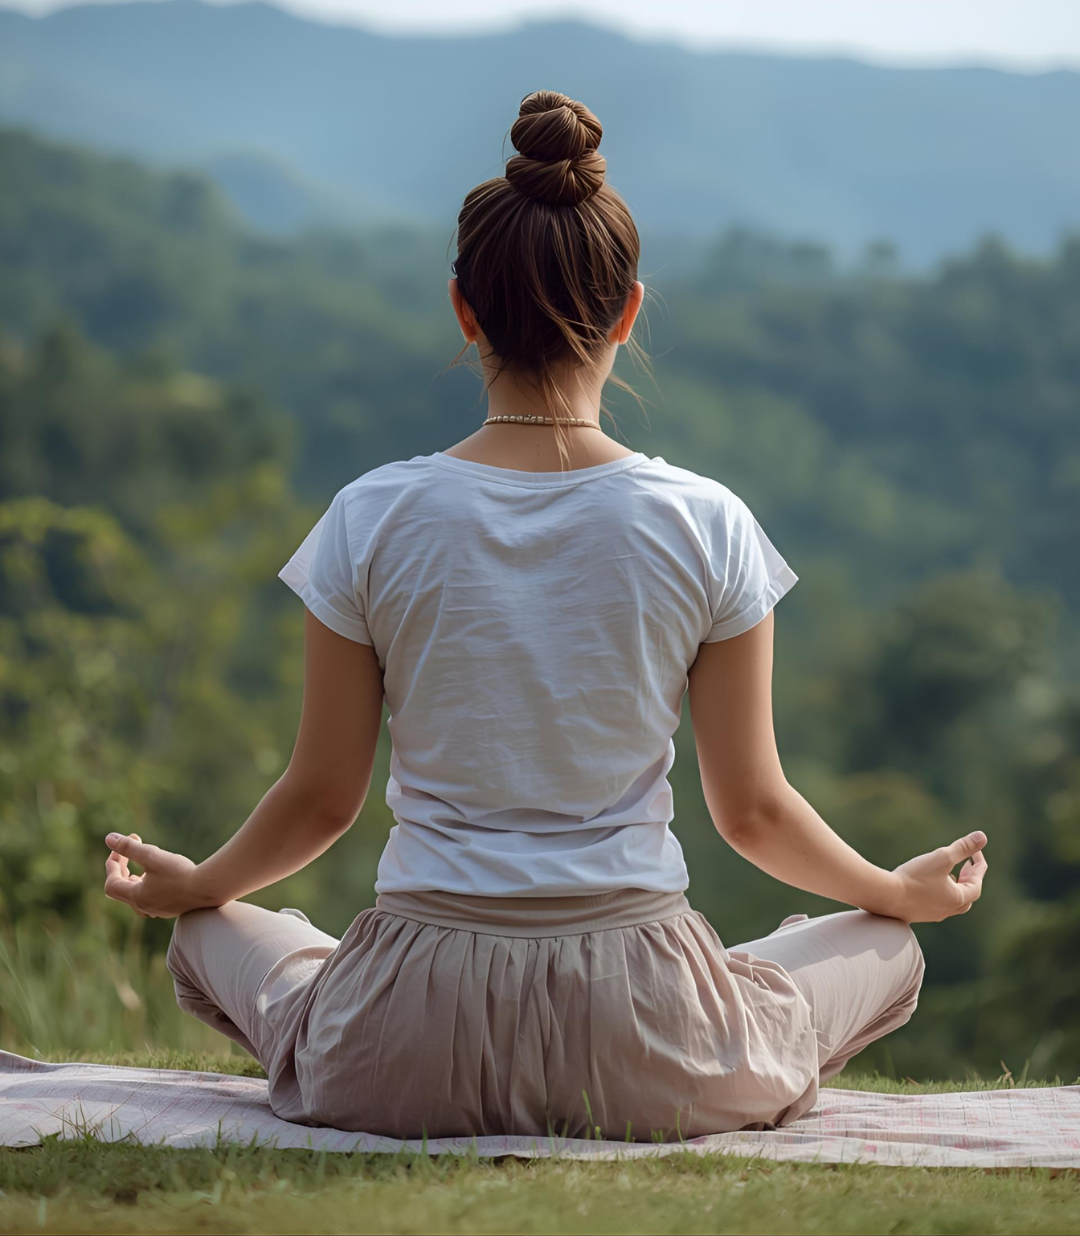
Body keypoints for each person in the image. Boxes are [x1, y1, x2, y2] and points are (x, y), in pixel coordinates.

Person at [102, 89, 988, 1143]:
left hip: (404, 1042)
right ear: (628, 311)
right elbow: (752, 812)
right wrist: (892, 887)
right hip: (648, 1038)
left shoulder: (370, 516)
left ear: (463, 310)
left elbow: (322, 801)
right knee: (887, 942)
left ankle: (271, 954)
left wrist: (199, 881)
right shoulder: (707, 523)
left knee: (212, 927)